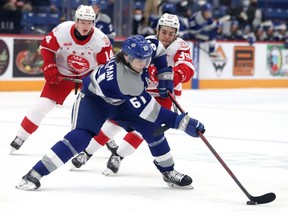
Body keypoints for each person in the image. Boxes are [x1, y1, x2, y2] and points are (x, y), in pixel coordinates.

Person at [15, 35, 205, 190]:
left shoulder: (138, 52)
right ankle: (35, 173)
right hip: (94, 101)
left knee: (151, 129)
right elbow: (154, 112)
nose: (146, 64)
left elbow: (158, 48)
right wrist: (184, 122)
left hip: (120, 101)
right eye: (141, 61)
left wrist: (164, 72)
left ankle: (168, 172)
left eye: (147, 59)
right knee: (80, 137)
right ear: (129, 58)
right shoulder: (127, 81)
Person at [71, 13, 195, 175]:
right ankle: (86, 152)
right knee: (115, 123)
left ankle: (118, 156)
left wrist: (172, 77)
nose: (167, 37)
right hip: (140, 91)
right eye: (164, 32)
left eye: (171, 34)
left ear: (176, 34)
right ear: (158, 30)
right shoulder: (148, 43)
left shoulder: (181, 46)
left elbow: (188, 68)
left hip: (164, 95)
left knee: (145, 129)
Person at [10, 5, 113, 154]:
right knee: (41, 106)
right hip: (63, 73)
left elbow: (105, 66)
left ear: (94, 23)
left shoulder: (101, 40)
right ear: (76, 21)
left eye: (89, 22)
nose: (86, 26)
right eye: (82, 22)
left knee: (95, 113)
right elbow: (46, 47)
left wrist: (94, 79)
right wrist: (50, 65)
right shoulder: (63, 30)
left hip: (88, 76)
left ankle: (108, 139)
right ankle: (21, 136)